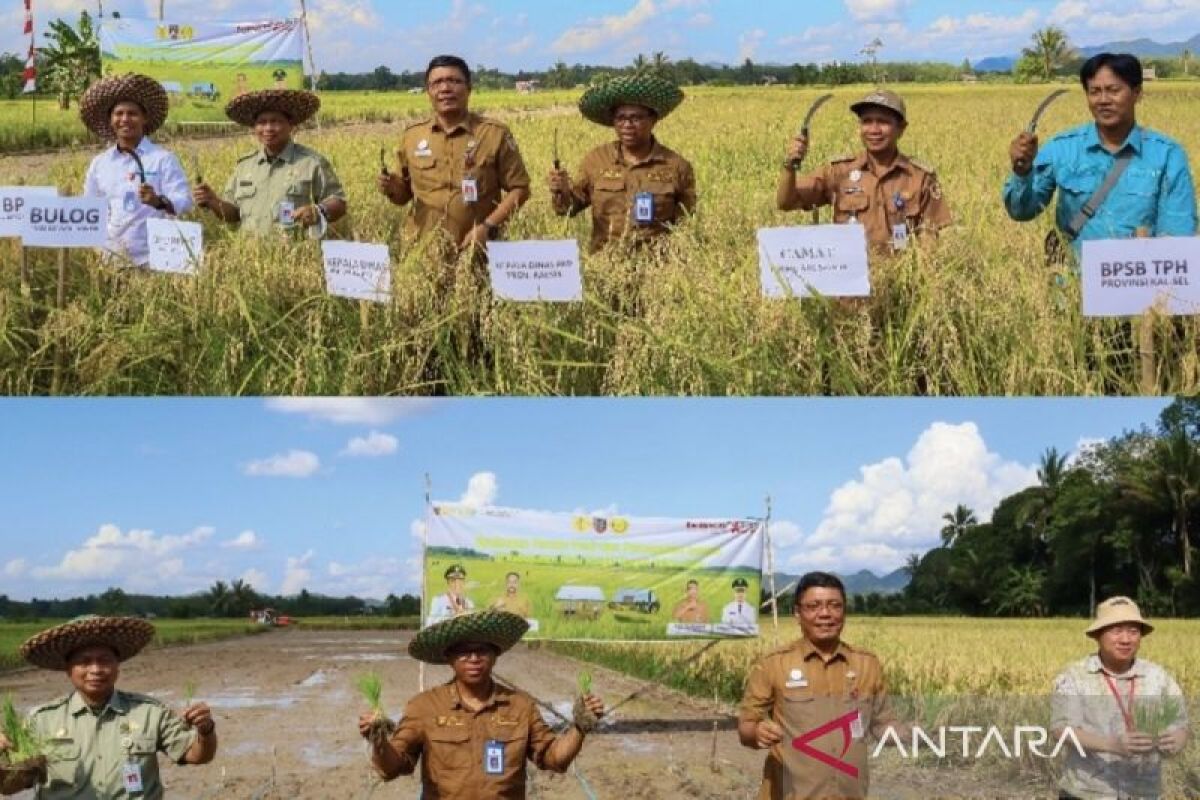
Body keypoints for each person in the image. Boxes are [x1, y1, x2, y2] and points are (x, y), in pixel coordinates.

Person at [358, 609, 605, 799]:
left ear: (495, 655)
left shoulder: (520, 706)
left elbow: (554, 759)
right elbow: (392, 768)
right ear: (449, 658)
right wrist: (378, 740)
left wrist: (580, 728)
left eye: (482, 650)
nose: (474, 658)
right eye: (464, 651)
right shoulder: (425, 707)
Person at [0, 616, 217, 799]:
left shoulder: (149, 712)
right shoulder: (42, 720)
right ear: (69, 669)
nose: (96, 669)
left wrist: (205, 730)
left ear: (117, 665)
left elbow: (197, 755)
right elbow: (11, 786)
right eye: (84, 662)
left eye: (104, 660)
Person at [1005, 53, 1197, 258]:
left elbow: (1178, 237)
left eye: (1114, 90)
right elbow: (1021, 212)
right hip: (1072, 284)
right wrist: (1022, 171)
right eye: (1094, 91)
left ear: (1137, 93)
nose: (1103, 100)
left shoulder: (1167, 155)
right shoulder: (1061, 148)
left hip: (1140, 283)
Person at [738, 572, 899, 800]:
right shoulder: (774, 664)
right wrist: (756, 732)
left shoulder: (867, 664)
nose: (825, 614)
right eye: (814, 606)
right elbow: (745, 727)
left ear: (844, 611)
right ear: (797, 613)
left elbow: (883, 724)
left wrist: (912, 735)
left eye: (835, 606)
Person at [378, 55, 531, 254]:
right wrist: (390, 186)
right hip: (423, 254)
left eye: (454, 81)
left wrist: (488, 227)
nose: (445, 89)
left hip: (478, 251)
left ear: (469, 89)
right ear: (428, 92)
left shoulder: (493, 133)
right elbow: (403, 197)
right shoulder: (412, 136)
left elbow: (520, 189)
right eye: (437, 83)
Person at [778, 89, 951, 252]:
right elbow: (786, 202)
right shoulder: (838, 172)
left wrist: (921, 278)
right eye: (867, 121)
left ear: (901, 128)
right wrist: (790, 166)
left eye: (883, 122)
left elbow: (929, 237)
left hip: (900, 277)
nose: (874, 130)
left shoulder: (920, 177)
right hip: (849, 278)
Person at [1051, 596, 1189, 800]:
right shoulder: (1074, 677)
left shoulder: (1159, 678)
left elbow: (1181, 726)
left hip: (1143, 793)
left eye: (1133, 631)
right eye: (1116, 631)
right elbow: (1061, 730)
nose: (1125, 639)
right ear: (1098, 635)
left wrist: (1175, 741)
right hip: (1087, 792)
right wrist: (1112, 745)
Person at [548, 70, 696, 253]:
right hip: (606, 264)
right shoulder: (596, 161)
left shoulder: (677, 166)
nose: (627, 125)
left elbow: (686, 225)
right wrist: (561, 192)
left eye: (636, 118)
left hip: (658, 270)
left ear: (653, 119)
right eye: (620, 118)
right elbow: (568, 209)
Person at [192, 88, 346, 239]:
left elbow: (338, 202)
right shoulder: (244, 166)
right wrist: (213, 201)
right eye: (261, 122)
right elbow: (233, 215)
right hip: (251, 255)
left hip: (296, 256)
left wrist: (318, 211)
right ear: (254, 127)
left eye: (275, 121)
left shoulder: (311, 163)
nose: (268, 128)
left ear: (290, 125)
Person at [78, 73, 193, 267]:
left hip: (154, 259)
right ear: (110, 119)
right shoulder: (100, 163)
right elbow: (92, 209)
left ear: (144, 119)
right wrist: (99, 250)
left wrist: (159, 201)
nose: (125, 119)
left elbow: (185, 201)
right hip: (111, 260)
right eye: (119, 113)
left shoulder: (162, 159)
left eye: (132, 113)